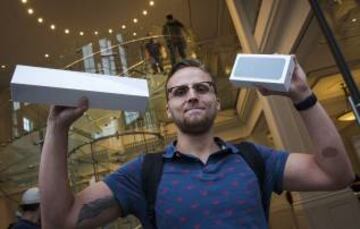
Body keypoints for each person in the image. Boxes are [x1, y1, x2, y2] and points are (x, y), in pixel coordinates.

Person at [39, 58, 354, 228]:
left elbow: (336, 175)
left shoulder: (253, 157)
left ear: (216, 101)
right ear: (168, 108)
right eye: (179, 91)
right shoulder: (143, 173)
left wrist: (303, 95)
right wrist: (56, 129)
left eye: (201, 88)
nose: (191, 95)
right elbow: (58, 221)